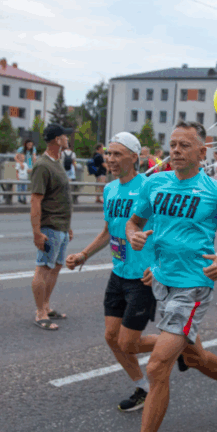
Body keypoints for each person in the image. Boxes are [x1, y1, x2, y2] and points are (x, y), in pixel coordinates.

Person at [102, 121, 217, 432]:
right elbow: (133, 223)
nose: (175, 150)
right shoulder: (155, 184)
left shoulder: (215, 192)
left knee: (156, 368)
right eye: (172, 144)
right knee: (193, 356)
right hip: (160, 281)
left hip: (194, 287)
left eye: (185, 145)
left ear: (203, 153)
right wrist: (135, 236)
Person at [66, 132, 158, 412]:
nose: (111, 160)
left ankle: (176, 343)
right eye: (109, 154)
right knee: (111, 337)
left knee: (127, 342)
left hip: (143, 276)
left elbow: (167, 231)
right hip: (119, 274)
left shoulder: (150, 187)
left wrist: (158, 267)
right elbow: (108, 232)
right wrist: (84, 254)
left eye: (117, 154)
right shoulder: (110, 190)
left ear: (135, 157)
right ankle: (143, 387)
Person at [30, 123, 75, 330]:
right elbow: (36, 201)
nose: (67, 138)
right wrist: (37, 233)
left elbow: (61, 197)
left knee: (55, 268)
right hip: (50, 226)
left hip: (62, 227)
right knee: (43, 269)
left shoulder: (58, 162)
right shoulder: (43, 165)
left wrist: (68, 227)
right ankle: (40, 313)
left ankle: (46, 306)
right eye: (65, 136)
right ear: (57, 140)